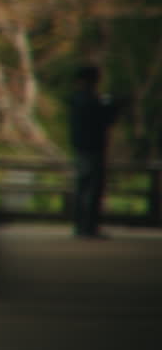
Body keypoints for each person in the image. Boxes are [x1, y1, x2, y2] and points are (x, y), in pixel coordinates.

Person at [68, 65, 117, 239]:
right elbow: (106, 119)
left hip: (80, 148)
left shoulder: (76, 99)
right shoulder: (93, 100)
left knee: (83, 188)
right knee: (93, 188)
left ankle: (81, 226)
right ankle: (89, 227)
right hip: (93, 148)